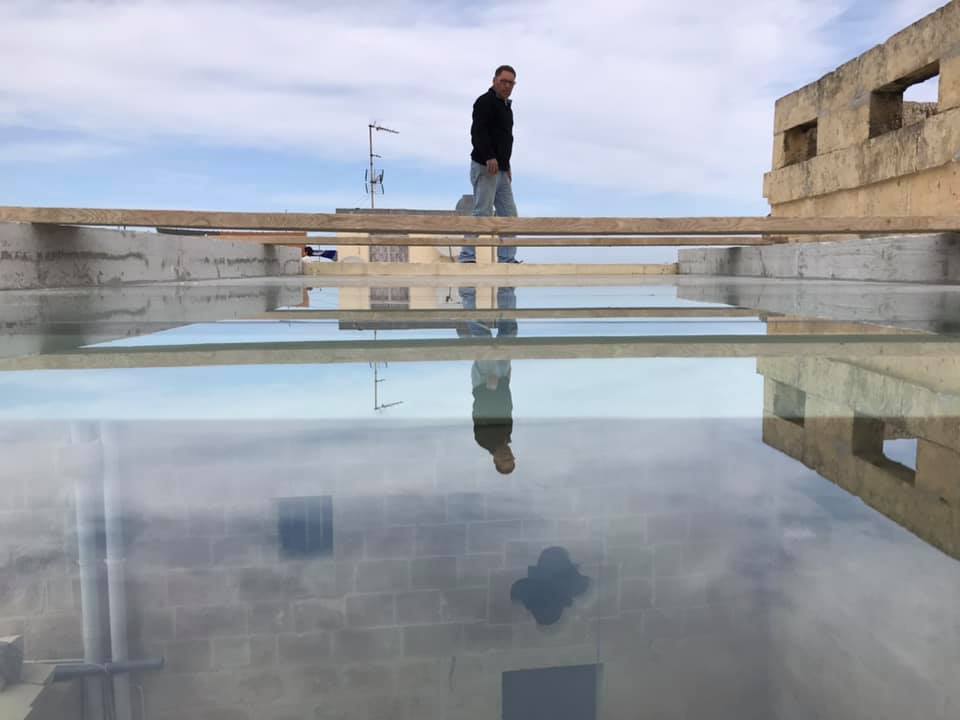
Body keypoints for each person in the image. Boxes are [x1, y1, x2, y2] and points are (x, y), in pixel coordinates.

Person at [459, 65, 521, 264]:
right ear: (494, 81)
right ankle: (467, 256)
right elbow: (478, 132)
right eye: (503, 81)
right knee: (482, 212)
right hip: (485, 167)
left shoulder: (506, 107)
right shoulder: (484, 102)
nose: (507, 86)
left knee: (509, 216)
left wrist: (507, 165)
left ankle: (507, 259)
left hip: (502, 170)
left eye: (511, 83)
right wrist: (489, 157)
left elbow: (504, 139)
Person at [457, 286, 518, 473]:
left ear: (495, 460)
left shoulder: (484, 440)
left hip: (487, 382)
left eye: (505, 459)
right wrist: (506, 381)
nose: (508, 454)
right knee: (508, 334)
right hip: (502, 380)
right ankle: (506, 290)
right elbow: (507, 406)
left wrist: (490, 387)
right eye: (511, 457)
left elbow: (479, 409)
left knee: (483, 337)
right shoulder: (507, 435)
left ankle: (467, 293)